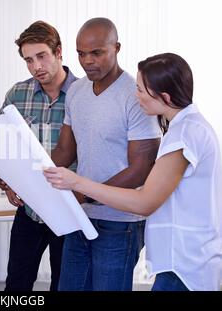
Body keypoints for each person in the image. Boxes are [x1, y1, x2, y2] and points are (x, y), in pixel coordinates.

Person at [44, 52, 222, 291]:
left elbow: (144, 202)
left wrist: (77, 183)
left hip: (185, 266)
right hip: (184, 261)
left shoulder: (184, 135)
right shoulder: (187, 127)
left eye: (139, 89)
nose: (134, 94)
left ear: (165, 97)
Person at [49, 18, 162, 291]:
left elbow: (142, 168)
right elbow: (65, 150)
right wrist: (27, 174)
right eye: (81, 53)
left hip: (120, 222)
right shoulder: (76, 91)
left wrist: (87, 193)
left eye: (96, 52)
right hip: (80, 215)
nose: (87, 61)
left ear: (116, 48)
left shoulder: (135, 94)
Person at [0, 20, 78, 291]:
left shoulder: (84, 94)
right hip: (29, 211)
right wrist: (5, 182)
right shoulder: (17, 94)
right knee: (16, 286)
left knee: (64, 286)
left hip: (71, 212)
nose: (36, 67)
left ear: (59, 52)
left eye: (41, 56)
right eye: (28, 60)